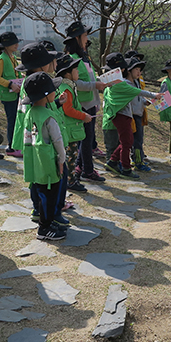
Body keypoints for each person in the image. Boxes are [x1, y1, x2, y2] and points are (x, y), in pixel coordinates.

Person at [21, 72, 68, 242]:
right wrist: (62, 159)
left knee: (42, 194)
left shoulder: (30, 113)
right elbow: (57, 141)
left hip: (35, 163)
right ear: (47, 95)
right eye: (54, 90)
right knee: (50, 196)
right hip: (49, 164)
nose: (56, 91)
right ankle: (44, 227)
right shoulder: (49, 117)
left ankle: (46, 222)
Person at [102, 53, 158, 179]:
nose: (139, 72)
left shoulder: (116, 82)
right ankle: (126, 168)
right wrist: (155, 95)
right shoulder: (120, 83)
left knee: (126, 142)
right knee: (127, 142)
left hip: (125, 115)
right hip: (122, 115)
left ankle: (112, 162)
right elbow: (137, 92)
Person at [65, 20, 107, 182]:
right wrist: (94, 84)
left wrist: (101, 81)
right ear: (76, 38)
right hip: (82, 105)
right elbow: (76, 84)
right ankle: (88, 171)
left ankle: (80, 166)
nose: (87, 38)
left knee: (87, 137)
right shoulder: (72, 59)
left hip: (91, 103)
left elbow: (88, 78)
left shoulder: (84, 57)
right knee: (87, 138)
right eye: (84, 35)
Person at [55, 56, 93, 193]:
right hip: (69, 130)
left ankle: (70, 180)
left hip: (71, 129)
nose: (78, 72)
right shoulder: (66, 88)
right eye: (75, 69)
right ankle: (70, 181)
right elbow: (68, 109)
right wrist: (83, 116)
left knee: (71, 155)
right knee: (70, 156)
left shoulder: (68, 86)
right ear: (67, 73)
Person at [0, 31, 23, 157]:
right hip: (7, 94)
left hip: (15, 94)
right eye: (12, 43)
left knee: (16, 120)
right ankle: (11, 147)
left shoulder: (13, 57)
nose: (16, 45)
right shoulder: (2, 59)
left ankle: (15, 145)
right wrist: (10, 85)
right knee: (12, 120)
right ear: (5, 46)